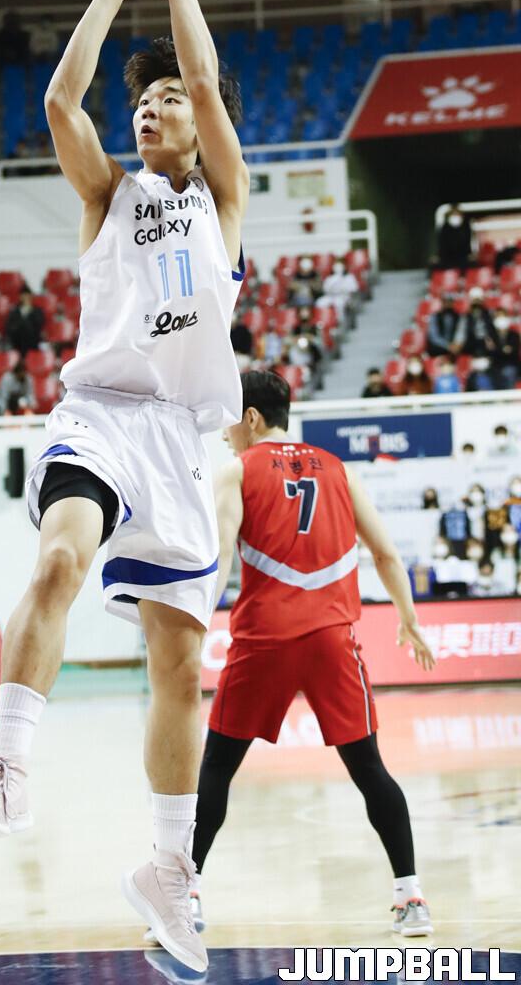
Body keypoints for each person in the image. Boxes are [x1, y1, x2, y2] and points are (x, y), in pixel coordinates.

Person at [0, 0, 249, 975]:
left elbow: (207, 81)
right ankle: (8, 764)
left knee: (181, 666)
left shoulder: (221, 198)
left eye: (166, 101)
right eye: (145, 103)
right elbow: (59, 103)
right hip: (98, 415)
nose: (151, 111)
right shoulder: (107, 197)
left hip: (178, 440)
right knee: (59, 559)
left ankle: (169, 868)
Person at [180, 371, 435, 943]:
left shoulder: (236, 471)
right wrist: (409, 619)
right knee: (370, 770)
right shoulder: (339, 469)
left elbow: (219, 558)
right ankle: (411, 896)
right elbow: (386, 553)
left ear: (251, 418)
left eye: (229, 421)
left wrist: (196, 625)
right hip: (331, 640)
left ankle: (185, 893)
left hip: (263, 640)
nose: (224, 433)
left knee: (217, 768)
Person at [5, 287, 46, 356]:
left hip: (32, 341)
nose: (25, 298)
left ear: (31, 296)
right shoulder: (14, 311)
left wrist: (29, 312)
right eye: (23, 295)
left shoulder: (37, 310)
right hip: (17, 341)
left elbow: (39, 324)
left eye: (27, 295)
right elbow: (9, 326)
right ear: (20, 297)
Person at [431, 204, 473, 272]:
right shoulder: (444, 228)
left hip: (462, 257)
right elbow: (441, 244)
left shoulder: (466, 228)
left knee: (472, 265)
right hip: (447, 257)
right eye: (453, 214)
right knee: (435, 265)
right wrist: (438, 256)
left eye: (457, 214)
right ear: (449, 216)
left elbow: (467, 244)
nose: (455, 217)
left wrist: (469, 254)